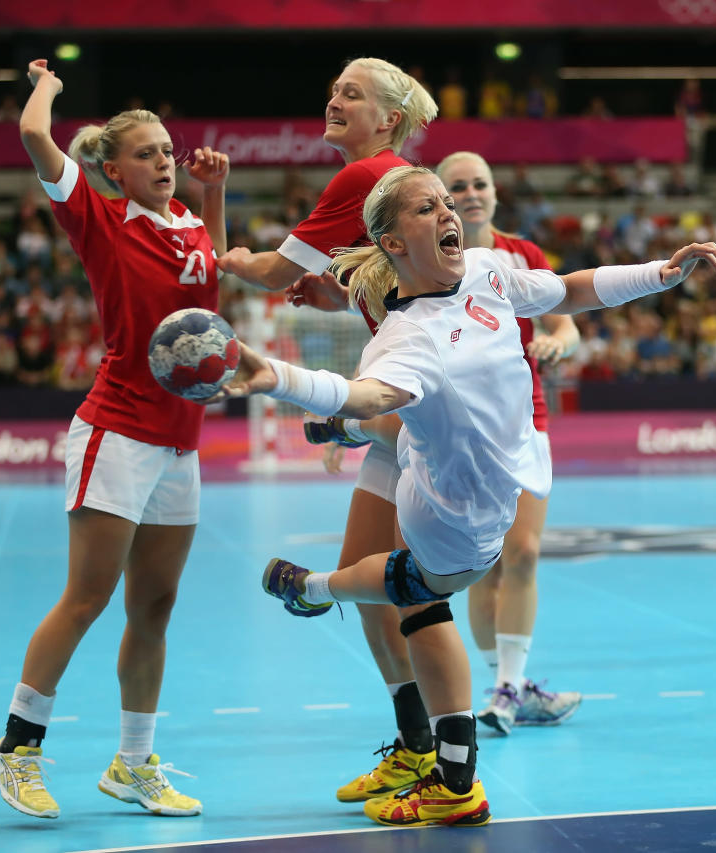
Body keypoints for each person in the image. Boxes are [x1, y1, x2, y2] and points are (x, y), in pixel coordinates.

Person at [213, 165, 716, 827]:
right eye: (427, 207)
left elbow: (566, 289)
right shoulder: (404, 337)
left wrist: (662, 271)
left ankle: (315, 586)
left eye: (446, 202)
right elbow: (370, 390)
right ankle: (454, 781)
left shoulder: (486, 269)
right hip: (447, 511)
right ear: (394, 244)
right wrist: (277, 376)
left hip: (471, 487)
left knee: (415, 591)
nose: (448, 212)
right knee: (416, 587)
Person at [0, 58, 229, 820]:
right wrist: (47, 82)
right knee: (88, 597)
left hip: (182, 439)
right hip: (117, 431)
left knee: (154, 605)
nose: (163, 161)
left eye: (167, 150)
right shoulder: (97, 215)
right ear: (113, 168)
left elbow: (211, 278)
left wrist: (213, 194)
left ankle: (131, 764)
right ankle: (12, 751)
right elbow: (30, 131)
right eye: (147, 153)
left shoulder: (186, 220)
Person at [218, 58, 443, 804]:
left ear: (388, 120)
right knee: (371, 583)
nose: (334, 98)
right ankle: (416, 747)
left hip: (424, 408)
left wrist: (225, 249)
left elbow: (270, 272)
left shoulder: (365, 176)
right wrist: (341, 290)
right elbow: (385, 286)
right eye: (334, 89)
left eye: (353, 92)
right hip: (402, 396)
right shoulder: (377, 187)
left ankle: (451, 760)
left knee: (411, 592)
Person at [434, 151, 581, 734]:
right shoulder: (426, 262)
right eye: (457, 186)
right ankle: (508, 686)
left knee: (523, 552)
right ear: (441, 198)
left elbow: (565, 318)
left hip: (528, 420)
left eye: (480, 184)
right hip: (463, 431)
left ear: (495, 192)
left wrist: (558, 344)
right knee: (483, 565)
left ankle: (507, 690)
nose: (471, 194)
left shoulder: (524, 255)